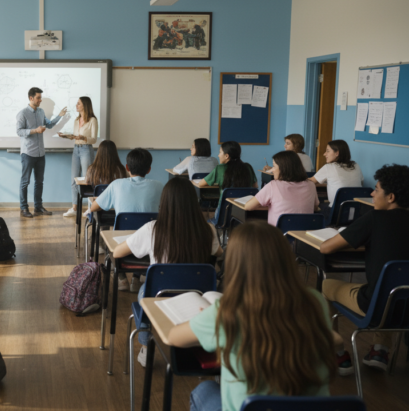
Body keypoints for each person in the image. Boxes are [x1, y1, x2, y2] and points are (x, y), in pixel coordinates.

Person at [167, 222, 336, 411]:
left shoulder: (227, 312)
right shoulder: (315, 301)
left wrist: (204, 319)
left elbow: (174, 337)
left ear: (236, 265)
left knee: (203, 391)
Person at [113, 177, 222, 366]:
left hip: (160, 297)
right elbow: (219, 254)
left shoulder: (152, 229)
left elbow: (117, 252)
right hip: (197, 296)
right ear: (194, 202)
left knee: (144, 292)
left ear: (164, 203)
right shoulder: (208, 229)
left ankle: (146, 347)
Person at [320, 164, 409, 374]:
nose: (372, 194)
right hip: (406, 309)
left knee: (325, 286)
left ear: (391, 197)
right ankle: (380, 350)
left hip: (375, 308)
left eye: (376, 189)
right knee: (392, 289)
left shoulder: (374, 218)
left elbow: (326, 248)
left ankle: (337, 353)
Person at [88, 148, 164, 290]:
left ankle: (122, 279)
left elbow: (94, 207)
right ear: (149, 169)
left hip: (122, 241)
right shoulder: (159, 186)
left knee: (110, 244)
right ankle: (136, 278)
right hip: (150, 240)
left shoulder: (117, 184)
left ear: (127, 167)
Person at [16, 87, 67, 218]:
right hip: (28, 153)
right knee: (25, 182)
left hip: (40, 154)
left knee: (39, 182)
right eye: (38, 98)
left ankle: (38, 208)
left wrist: (60, 116)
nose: (40, 100)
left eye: (41, 98)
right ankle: (24, 208)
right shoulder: (22, 114)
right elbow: (19, 131)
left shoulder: (41, 112)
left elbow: (49, 125)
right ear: (31, 98)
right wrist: (35, 130)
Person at [245, 150, 319, 226]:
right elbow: (315, 207)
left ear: (283, 168)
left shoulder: (273, 185)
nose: (272, 170)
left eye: (274, 166)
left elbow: (248, 206)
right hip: (305, 231)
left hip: (278, 232)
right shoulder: (311, 185)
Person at [68, 139, 126, 217]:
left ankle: (90, 213)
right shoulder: (121, 169)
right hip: (116, 205)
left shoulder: (92, 169)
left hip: (98, 203)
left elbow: (87, 182)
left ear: (99, 152)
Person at [62, 97, 99, 217]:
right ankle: (74, 208)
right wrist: (67, 136)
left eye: (78, 103)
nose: (76, 105)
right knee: (74, 179)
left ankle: (90, 209)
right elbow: (75, 136)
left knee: (87, 180)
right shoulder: (76, 120)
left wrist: (83, 138)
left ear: (85, 105)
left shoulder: (92, 120)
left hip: (86, 149)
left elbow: (94, 139)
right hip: (76, 149)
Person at [309, 140, 363, 218]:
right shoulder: (356, 165)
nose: (324, 154)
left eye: (327, 151)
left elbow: (309, 182)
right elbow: (360, 183)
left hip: (336, 212)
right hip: (356, 212)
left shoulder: (329, 167)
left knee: (314, 208)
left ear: (337, 153)